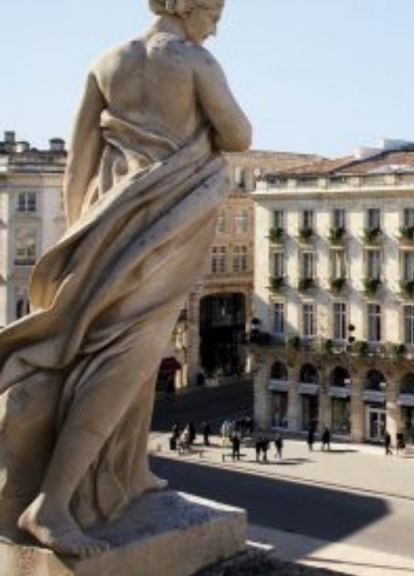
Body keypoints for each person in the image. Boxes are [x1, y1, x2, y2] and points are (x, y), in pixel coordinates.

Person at [0, 0, 250, 557]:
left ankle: (129, 472)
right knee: (128, 355)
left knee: (102, 347)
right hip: (162, 228)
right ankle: (54, 505)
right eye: (213, 13)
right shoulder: (194, 62)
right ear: (190, 7)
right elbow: (237, 135)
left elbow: (79, 160)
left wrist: (80, 237)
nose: (216, 27)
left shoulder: (107, 60)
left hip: (104, 221)